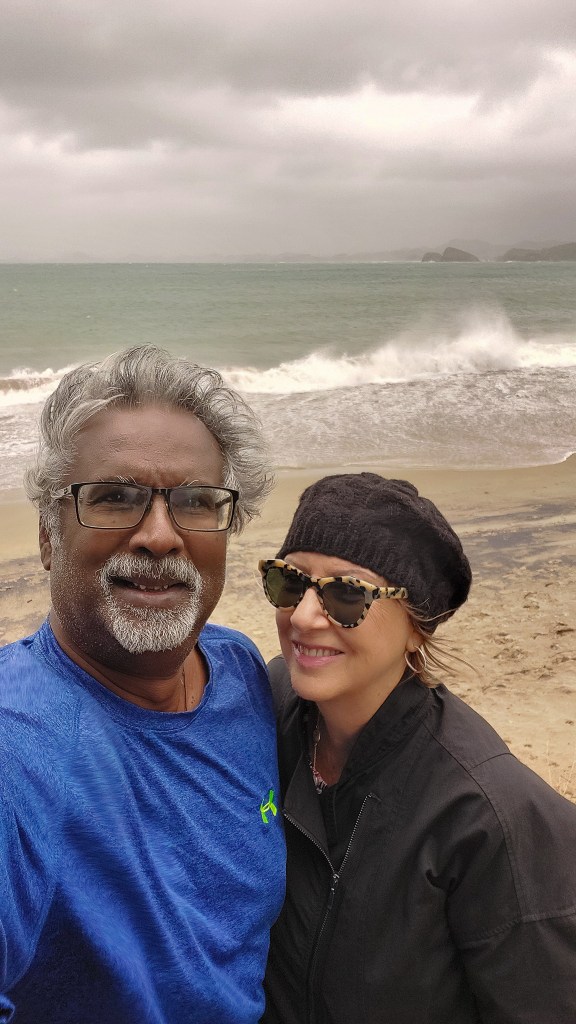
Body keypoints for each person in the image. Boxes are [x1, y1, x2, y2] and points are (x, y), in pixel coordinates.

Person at [0, 346, 285, 1024]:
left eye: (195, 502)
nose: (160, 536)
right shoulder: (18, 749)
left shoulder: (240, 669)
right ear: (47, 535)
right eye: (114, 498)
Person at [257, 472, 576, 1024]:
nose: (304, 617)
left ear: (416, 627)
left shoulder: (494, 818)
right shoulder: (269, 710)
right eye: (290, 582)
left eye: (346, 594)